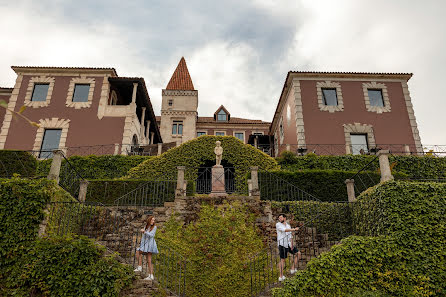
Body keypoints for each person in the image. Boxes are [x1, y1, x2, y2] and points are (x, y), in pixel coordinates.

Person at [276, 213, 301, 282]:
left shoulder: (288, 225)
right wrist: (294, 229)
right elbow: (285, 230)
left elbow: (290, 236)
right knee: (282, 260)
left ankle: (292, 269)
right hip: (282, 244)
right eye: (279, 218)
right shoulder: (278, 224)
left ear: (284, 218)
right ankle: (281, 276)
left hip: (289, 244)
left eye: (281, 217)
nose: (279, 219)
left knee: (298, 254)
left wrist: (292, 243)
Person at [134, 216, 159, 280]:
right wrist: (141, 245)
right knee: (138, 251)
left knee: (149, 260)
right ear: (149, 220)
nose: (153, 221)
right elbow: (143, 237)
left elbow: (152, 235)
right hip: (145, 244)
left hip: (150, 244)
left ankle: (151, 275)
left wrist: (144, 232)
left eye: (154, 220)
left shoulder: (154, 227)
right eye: (152, 220)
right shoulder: (146, 227)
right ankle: (139, 267)